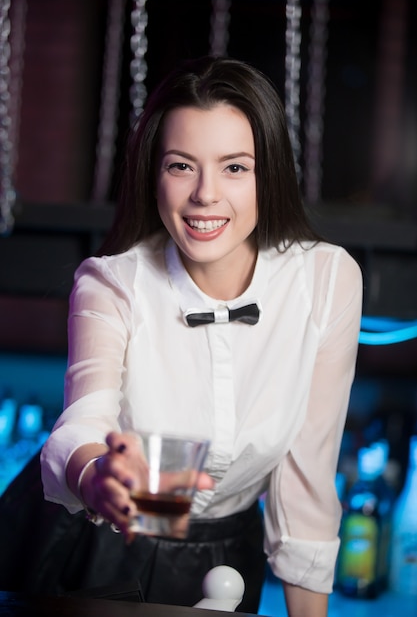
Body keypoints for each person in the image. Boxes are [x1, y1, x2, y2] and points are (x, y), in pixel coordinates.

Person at [40, 56, 363, 616]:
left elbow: (305, 486)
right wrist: (97, 476)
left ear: (270, 174)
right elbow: (82, 421)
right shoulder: (113, 281)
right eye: (182, 166)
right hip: (102, 547)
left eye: (235, 167)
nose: (205, 195)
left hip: (232, 553)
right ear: (154, 174)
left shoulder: (325, 279)